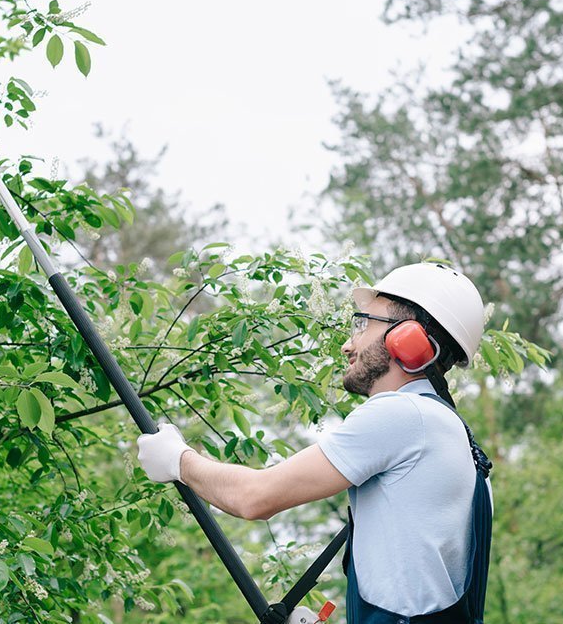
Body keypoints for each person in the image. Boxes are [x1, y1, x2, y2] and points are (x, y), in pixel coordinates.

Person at [137, 262, 492, 623]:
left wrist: (178, 460)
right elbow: (419, 593)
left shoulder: (403, 415)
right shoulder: (462, 444)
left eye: (364, 323)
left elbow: (254, 498)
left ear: (408, 337)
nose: (347, 344)